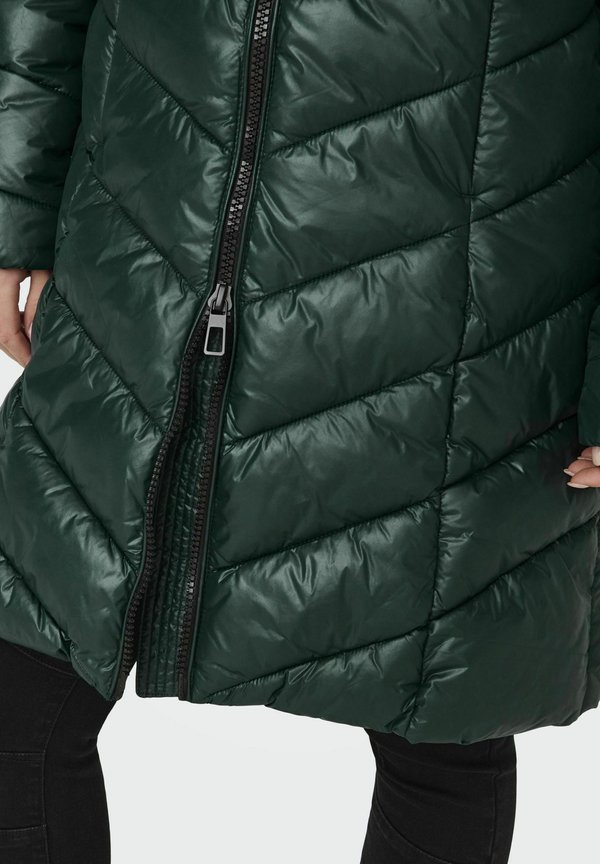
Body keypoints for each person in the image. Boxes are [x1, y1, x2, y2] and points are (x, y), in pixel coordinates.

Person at [0, 1, 599, 862]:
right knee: (25, 679)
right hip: (145, 241)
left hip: (464, 303)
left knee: (442, 720)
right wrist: (17, 195)